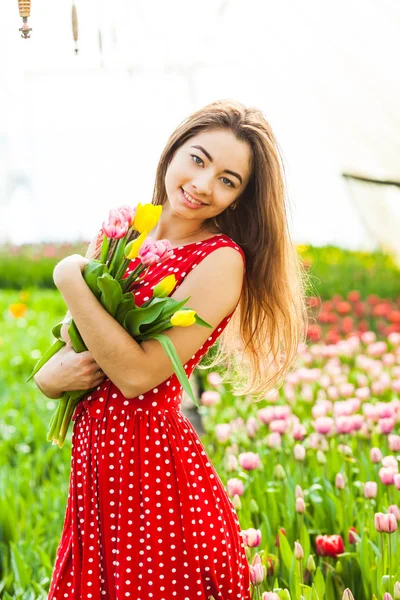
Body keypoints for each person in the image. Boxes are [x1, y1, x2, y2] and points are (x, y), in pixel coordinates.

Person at [35, 99, 308, 600]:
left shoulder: (221, 261)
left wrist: (67, 275)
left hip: (152, 470)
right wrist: (49, 379)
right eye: (199, 160)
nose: (203, 185)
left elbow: (138, 375)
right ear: (174, 150)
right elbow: (72, 349)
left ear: (239, 199)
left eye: (229, 180)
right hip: (97, 466)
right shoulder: (126, 230)